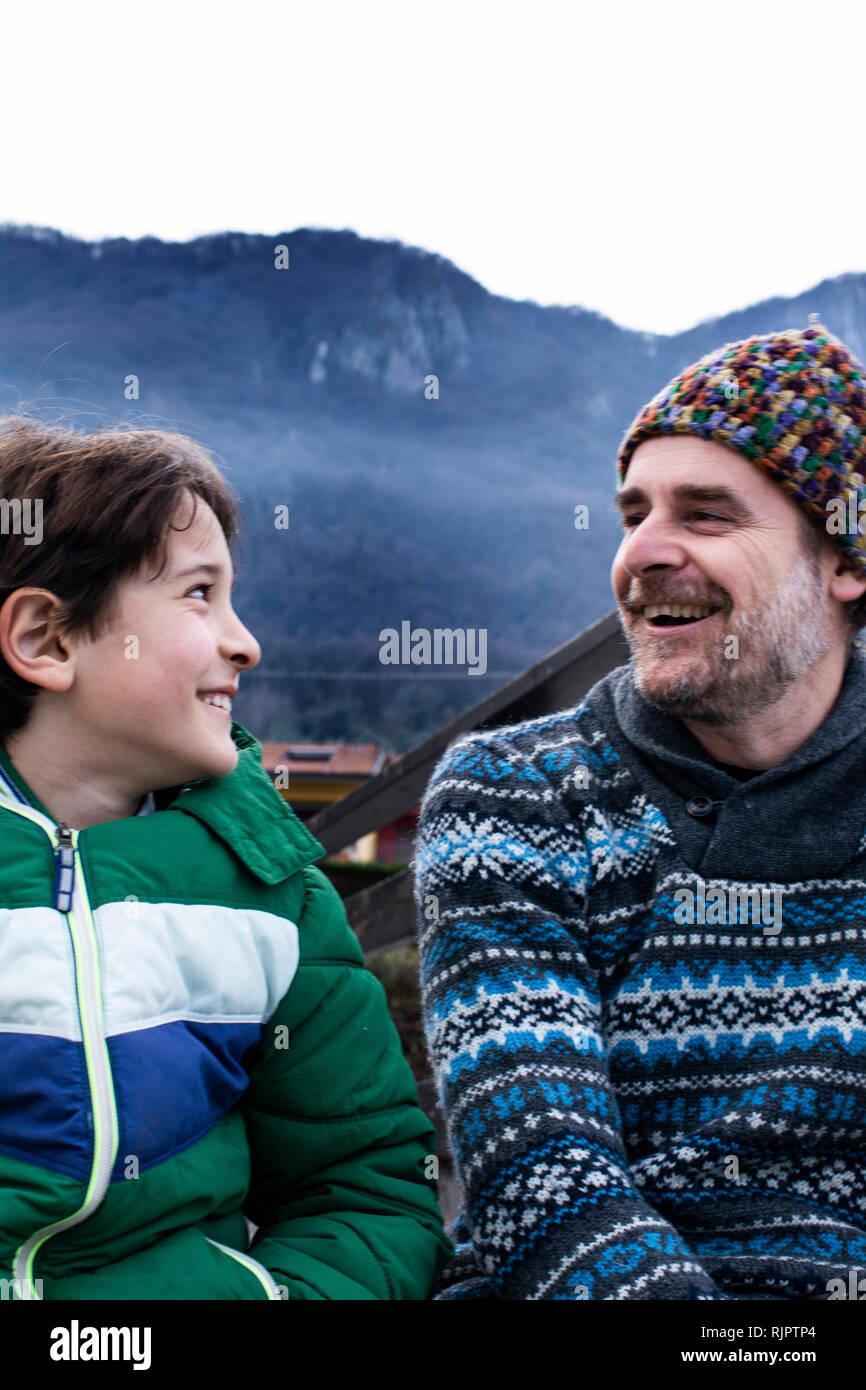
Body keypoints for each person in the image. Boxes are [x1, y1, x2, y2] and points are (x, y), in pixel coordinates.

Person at [413, 318, 866, 1300]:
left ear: (843, 562)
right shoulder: (515, 795)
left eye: (704, 514)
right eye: (631, 513)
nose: (641, 552)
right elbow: (535, 1171)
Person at [0, 416, 452, 1301]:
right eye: (199, 595)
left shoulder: (273, 900)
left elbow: (364, 1190)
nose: (245, 643)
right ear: (47, 641)